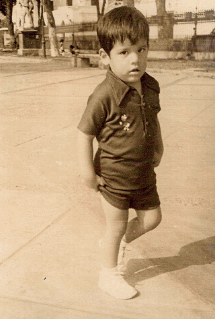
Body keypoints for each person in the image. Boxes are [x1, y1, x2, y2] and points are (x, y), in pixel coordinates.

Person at [77, 4, 163, 300]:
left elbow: (153, 119)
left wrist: (159, 146)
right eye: (124, 52)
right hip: (113, 175)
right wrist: (88, 173)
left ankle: (115, 245)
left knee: (152, 220)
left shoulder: (150, 86)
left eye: (141, 49)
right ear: (105, 57)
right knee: (116, 225)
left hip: (143, 173)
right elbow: (84, 134)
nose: (135, 59)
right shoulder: (103, 95)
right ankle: (108, 274)